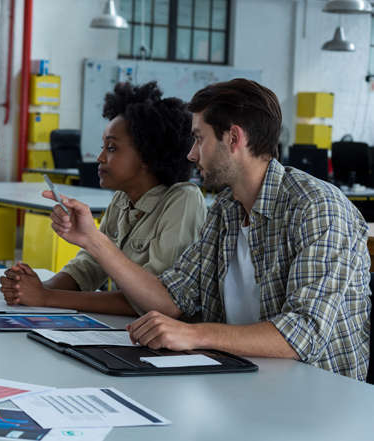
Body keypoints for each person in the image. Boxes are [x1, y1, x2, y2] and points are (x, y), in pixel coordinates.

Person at [47, 78, 370, 380]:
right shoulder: (227, 209)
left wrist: (194, 333)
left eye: (199, 139)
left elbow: (303, 333)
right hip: (239, 376)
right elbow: (172, 300)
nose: (190, 153)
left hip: (315, 391)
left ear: (233, 138)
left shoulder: (317, 208)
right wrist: (92, 239)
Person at [0, 82, 206, 315]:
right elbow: (90, 265)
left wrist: (48, 298)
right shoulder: (122, 199)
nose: (99, 157)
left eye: (111, 148)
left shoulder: (183, 201)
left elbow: (155, 300)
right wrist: (35, 289)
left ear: (148, 155)